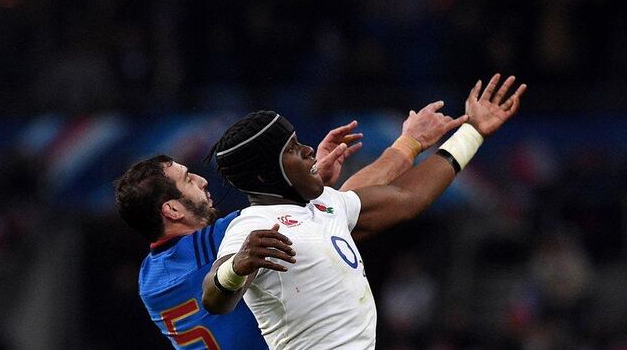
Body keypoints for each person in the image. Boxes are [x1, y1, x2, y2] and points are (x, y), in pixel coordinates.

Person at [201, 74, 527, 349]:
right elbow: (215, 297)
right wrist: (236, 268)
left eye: (299, 140)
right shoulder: (253, 226)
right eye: (292, 149)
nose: (308, 150)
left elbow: (406, 195)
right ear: (264, 176)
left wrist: (472, 132)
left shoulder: (324, 209)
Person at [114, 103, 463, 350]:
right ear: (172, 210)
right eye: (188, 179)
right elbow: (345, 211)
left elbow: (328, 216)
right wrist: (407, 145)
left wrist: (304, 185)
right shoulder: (235, 235)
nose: (203, 181)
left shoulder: (151, 280)